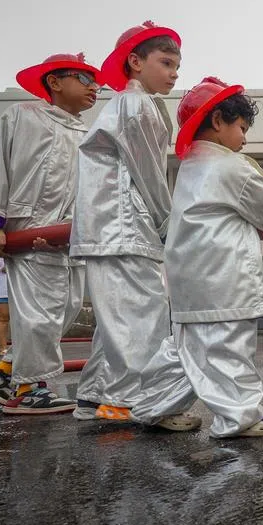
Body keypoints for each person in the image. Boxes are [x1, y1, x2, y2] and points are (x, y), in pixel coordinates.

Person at [133, 78, 263, 437]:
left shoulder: (189, 166)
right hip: (226, 275)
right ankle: (241, 417)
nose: (245, 137)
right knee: (229, 347)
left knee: (184, 348)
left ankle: (153, 406)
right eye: (241, 127)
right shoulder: (235, 167)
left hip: (188, 278)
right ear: (219, 120)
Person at [0, 52, 99, 413]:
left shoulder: (89, 134)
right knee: (39, 313)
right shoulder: (22, 116)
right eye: (85, 79)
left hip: (68, 238)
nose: (95, 87)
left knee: (65, 308)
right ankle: (28, 389)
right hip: (27, 229)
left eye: (96, 81)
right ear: (55, 82)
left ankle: (5, 370)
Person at [70, 21, 182, 422]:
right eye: (165, 62)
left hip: (110, 224)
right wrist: (168, 222)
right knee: (141, 313)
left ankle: (97, 394)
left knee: (116, 315)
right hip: (125, 224)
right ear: (135, 62)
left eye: (176, 66)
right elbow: (149, 170)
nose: (173, 73)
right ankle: (132, 401)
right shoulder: (137, 105)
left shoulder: (123, 104)